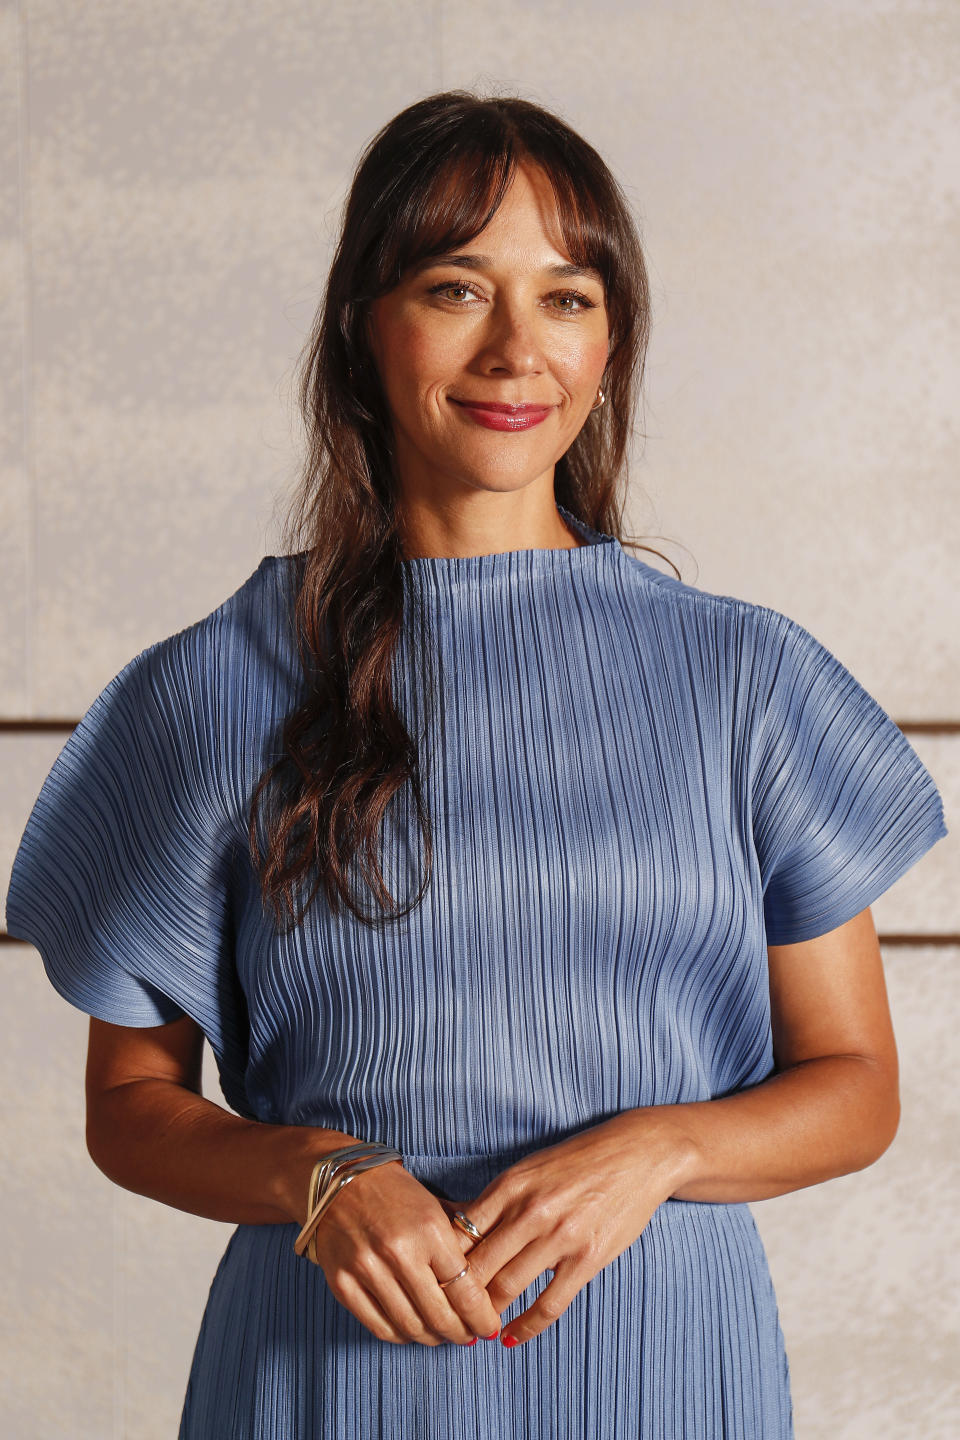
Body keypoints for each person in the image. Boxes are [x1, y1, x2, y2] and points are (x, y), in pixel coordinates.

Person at [5, 89, 948, 1440]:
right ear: (361, 330)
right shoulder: (214, 684)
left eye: (568, 299)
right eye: (458, 288)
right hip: (330, 1365)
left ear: (612, 346)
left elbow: (855, 1086)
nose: (518, 349)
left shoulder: (750, 679)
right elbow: (130, 1108)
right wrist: (319, 1178)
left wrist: (663, 1147)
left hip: (663, 1364)